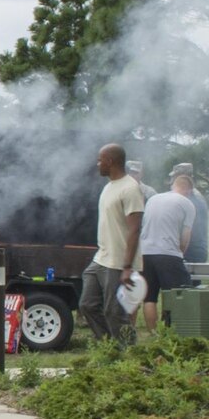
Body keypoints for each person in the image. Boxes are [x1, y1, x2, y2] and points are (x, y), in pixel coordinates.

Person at [79, 144, 145, 344]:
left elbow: (135, 229)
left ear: (111, 161)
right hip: (102, 257)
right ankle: (110, 346)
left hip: (119, 261)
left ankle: (130, 353)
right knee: (87, 305)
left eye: (100, 160)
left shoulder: (130, 188)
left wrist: (127, 267)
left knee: (114, 312)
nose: (97, 164)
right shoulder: (109, 186)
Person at [137, 172, 197, 332]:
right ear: (189, 191)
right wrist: (181, 252)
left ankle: (152, 332)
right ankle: (173, 331)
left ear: (173, 186)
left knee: (149, 297)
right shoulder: (187, 204)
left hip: (145, 253)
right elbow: (185, 235)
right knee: (176, 295)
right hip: (168, 254)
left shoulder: (153, 199)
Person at [171, 161, 209, 264]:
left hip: (191, 251)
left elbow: (192, 231)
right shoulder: (191, 196)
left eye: (175, 177)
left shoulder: (193, 199)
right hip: (192, 250)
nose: (173, 181)